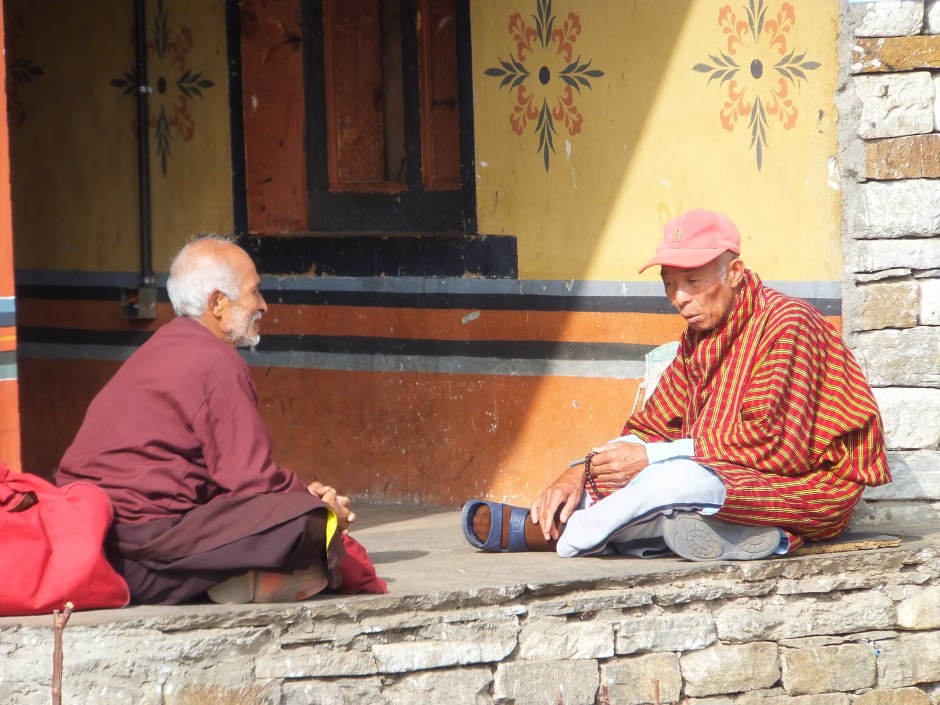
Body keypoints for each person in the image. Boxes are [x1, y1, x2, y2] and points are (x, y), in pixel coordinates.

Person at [462, 209, 891, 561]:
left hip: (806, 487)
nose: (679, 298)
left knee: (676, 478)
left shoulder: (787, 324)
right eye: (669, 283)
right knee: (636, 472)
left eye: (693, 282)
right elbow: (652, 426)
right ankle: (702, 534)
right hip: (719, 469)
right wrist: (582, 470)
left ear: (734, 273)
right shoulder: (697, 337)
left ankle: (567, 532)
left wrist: (652, 458)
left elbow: (771, 444)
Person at [56, 235, 385, 604]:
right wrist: (321, 508)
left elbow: (224, 478)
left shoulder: (163, 344)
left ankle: (232, 578)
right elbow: (253, 482)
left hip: (97, 536)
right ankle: (224, 582)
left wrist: (301, 494)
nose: (263, 305)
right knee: (306, 521)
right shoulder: (216, 363)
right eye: (254, 292)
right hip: (143, 545)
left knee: (298, 508)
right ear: (217, 303)